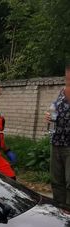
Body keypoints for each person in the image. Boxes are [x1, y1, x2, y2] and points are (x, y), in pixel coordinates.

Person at [45, 64, 70, 206]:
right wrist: (48, 116)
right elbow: (53, 109)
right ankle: (59, 209)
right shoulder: (61, 92)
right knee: (56, 181)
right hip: (56, 142)